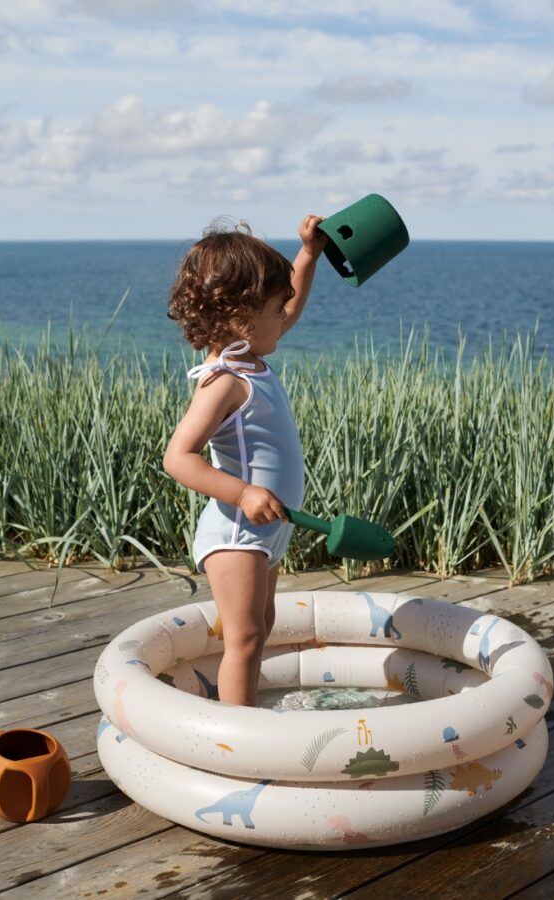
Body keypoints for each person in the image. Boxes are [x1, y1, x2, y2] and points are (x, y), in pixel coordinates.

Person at [163, 214, 327, 707]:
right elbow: (178, 457)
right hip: (237, 531)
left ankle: (245, 712)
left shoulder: (253, 358)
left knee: (262, 628)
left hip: (266, 530)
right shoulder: (224, 380)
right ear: (240, 316)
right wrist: (243, 492)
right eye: (277, 309)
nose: (287, 315)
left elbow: (291, 306)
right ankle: (239, 739)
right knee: (246, 639)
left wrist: (308, 255)